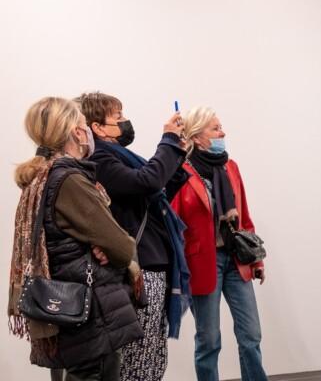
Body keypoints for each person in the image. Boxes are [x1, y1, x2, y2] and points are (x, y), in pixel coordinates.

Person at [8, 96, 144, 378]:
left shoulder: (40, 176)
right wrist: (119, 246)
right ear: (77, 132)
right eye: (84, 125)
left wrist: (103, 242)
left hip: (66, 311)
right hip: (92, 317)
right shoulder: (69, 180)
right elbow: (119, 247)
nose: (89, 133)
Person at [75, 91, 192, 381]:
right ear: (98, 128)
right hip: (138, 268)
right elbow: (147, 180)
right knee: (138, 360)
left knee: (150, 354)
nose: (126, 120)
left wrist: (177, 156)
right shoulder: (100, 157)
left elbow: (154, 194)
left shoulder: (122, 156)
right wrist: (167, 141)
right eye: (118, 116)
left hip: (152, 262)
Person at [170, 105, 268, 381]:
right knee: (209, 340)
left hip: (237, 261)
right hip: (202, 263)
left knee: (251, 335)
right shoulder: (181, 173)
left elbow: (244, 218)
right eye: (215, 128)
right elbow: (172, 225)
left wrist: (256, 260)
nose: (223, 132)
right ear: (198, 137)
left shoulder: (230, 167)